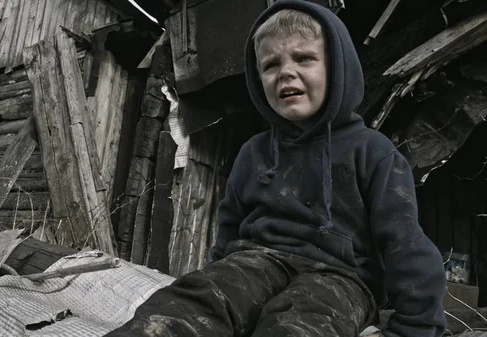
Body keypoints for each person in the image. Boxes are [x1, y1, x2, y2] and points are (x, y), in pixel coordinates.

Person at [104, 1, 446, 336]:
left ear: (338, 67)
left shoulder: (374, 152)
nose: (285, 72)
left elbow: (407, 247)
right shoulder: (253, 153)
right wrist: (217, 278)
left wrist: (415, 326)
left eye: (304, 58)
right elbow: (227, 231)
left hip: (341, 279)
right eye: (270, 65)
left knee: (301, 324)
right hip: (255, 263)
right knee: (187, 302)